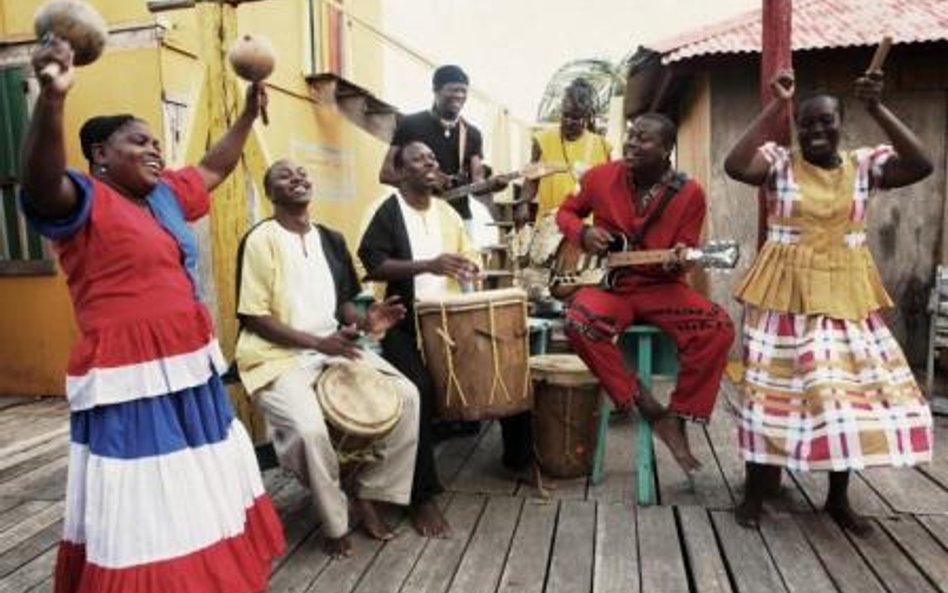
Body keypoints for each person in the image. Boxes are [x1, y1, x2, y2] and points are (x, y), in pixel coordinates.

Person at [19, 38, 284, 592]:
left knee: (193, 476)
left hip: (188, 365)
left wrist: (245, 114)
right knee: (142, 491)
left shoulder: (163, 195)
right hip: (128, 374)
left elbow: (214, 165)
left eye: (157, 140)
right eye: (138, 141)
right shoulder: (82, 197)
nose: (155, 149)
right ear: (99, 156)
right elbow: (41, 185)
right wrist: (51, 98)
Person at [723, 70, 934, 533]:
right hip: (782, 293)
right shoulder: (779, 163)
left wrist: (878, 108)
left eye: (827, 123)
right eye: (807, 124)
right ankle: (754, 493)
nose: (817, 131)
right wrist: (777, 107)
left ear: (842, 125)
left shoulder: (864, 166)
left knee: (845, 399)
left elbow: (921, 164)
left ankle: (837, 499)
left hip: (845, 294)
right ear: (798, 128)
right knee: (770, 395)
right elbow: (736, 167)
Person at [234, 159, 420, 559]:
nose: (297, 178)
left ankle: (367, 492)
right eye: (285, 175)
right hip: (276, 356)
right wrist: (319, 344)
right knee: (309, 430)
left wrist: (365, 320)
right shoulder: (260, 239)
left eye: (301, 173)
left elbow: (346, 303)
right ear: (271, 194)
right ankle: (335, 521)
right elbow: (254, 316)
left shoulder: (332, 239)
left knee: (407, 397)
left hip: (334, 347)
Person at [359, 141, 534, 535]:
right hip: (405, 319)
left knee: (509, 361)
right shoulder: (387, 210)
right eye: (419, 158)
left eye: (433, 158)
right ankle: (421, 497)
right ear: (401, 172)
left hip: (450, 316)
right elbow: (373, 262)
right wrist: (429, 264)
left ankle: (518, 459)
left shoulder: (447, 213)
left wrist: (467, 267)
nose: (430, 163)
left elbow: (468, 254)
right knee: (418, 391)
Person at [556, 113, 735, 474]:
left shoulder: (689, 193)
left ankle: (678, 417)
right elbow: (565, 212)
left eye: (644, 139)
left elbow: (686, 250)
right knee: (577, 321)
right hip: (612, 287)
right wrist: (583, 234)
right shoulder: (600, 176)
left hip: (662, 287)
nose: (632, 143)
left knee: (717, 326)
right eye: (631, 136)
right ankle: (648, 407)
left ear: (668, 149)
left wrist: (679, 262)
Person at [379, 65, 504, 233]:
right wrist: (425, 181)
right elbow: (386, 174)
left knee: (464, 260)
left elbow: (477, 182)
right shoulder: (411, 124)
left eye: (463, 91)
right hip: (418, 216)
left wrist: (493, 186)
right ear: (436, 90)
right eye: (453, 90)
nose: (459, 95)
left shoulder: (472, 134)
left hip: (460, 219)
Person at [515, 78, 612, 226]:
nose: (568, 122)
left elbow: (607, 189)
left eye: (575, 118)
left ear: (587, 116)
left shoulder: (601, 145)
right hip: (549, 225)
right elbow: (532, 178)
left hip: (584, 228)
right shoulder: (543, 139)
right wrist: (523, 204)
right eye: (565, 115)